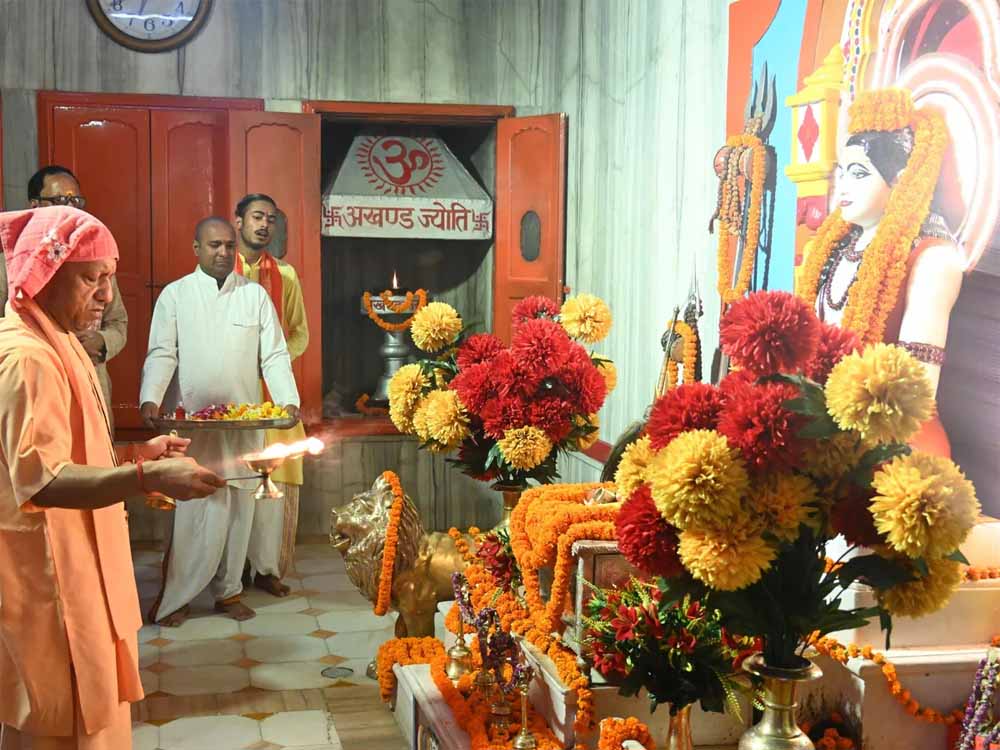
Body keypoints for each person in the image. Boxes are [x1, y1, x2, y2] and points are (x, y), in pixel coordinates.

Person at [0, 207, 224, 749]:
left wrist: (132, 455)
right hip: (50, 576)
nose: (106, 295)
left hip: (74, 562)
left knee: (88, 711)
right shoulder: (28, 358)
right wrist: (148, 475)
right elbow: (43, 481)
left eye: (108, 278)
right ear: (44, 274)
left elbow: (70, 449)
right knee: (61, 720)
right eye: (90, 279)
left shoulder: (60, 341)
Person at [140, 217, 300, 626]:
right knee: (193, 511)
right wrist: (150, 398)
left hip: (244, 424)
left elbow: (274, 355)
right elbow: (162, 352)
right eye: (214, 245)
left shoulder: (254, 296)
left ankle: (229, 593)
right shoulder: (176, 295)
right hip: (193, 428)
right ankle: (177, 597)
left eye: (229, 245)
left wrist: (287, 402)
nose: (224, 252)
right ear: (197, 248)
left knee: (239, 509)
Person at [798, 88, 961, 457]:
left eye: (859, 173)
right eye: (841, 173)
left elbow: (913, 396)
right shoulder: (832, 249)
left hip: (894, 443)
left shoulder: (933, 260)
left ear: (901, 180)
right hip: (825, 425)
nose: (843, 187)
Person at [0, 167, 129, 429]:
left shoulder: (96, 257)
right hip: (37, 389)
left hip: (91, 382)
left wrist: (102, 342)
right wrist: (46, 341)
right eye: (60, 200)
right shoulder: (10, 265)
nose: (71, 208)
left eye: (76, 200)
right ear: (35, 205)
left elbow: (118, 322)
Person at [234, 193, 309, 597]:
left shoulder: (286, 275)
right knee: (234, 478)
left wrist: (273, 363)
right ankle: (229, 572)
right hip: (231, 393)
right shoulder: (217, 271)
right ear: (239, 222)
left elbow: (299, 333)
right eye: (256, 217)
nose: (264, 225)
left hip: (272, 393)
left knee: (275, 478)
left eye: (270, 219)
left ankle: (266, 569)